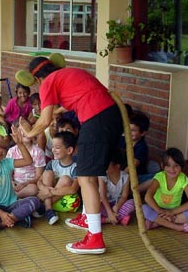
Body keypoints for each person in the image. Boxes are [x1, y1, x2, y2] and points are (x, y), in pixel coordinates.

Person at [20, 56, 122, 254]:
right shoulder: (70, 73)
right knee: (90, 173)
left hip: (95, 120)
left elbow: (44, 120)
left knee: (84, 177)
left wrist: (29, 133)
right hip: (110, 117)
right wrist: (58, 110)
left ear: (37, 79)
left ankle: (95, 238)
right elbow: (75, 100)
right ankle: (87, 217)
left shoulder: (47, 83)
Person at [142, 148, 188, 233]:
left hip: (175, 212)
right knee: (143, 208)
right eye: (168, 165)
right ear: (162, 165)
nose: (172, 169)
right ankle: (176, 227)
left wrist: (172, 212)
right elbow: (147, 197)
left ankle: (158, 222)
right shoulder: (159, 177)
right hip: (157, 209)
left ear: (181, 166)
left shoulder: (183, 179)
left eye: (176, 165)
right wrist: (161, 211)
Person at [37, 131, 80, 225]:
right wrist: (44, 189)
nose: (53, 150)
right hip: (51, 196)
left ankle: (44, 207)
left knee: (66, 179)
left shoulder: (76, 167)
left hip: (63, 198)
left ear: (69, 150)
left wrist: (48, 192)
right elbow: (39, 182)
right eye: (52, 147)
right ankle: (49, 210)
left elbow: (73, 189)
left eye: (57, 147)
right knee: (48, 174)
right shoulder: (52, 163)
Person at [6, 123, 46, 199]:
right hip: (15, 183)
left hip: (30, 184)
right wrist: (12, 182)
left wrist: (25, 183)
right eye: (21, 130)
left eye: (27, 130)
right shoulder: (12, 151)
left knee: (33, 189)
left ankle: (15, 196)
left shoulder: (38, 152)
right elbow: (9, 172)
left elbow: (39, 176)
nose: (24, 133)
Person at [99, 150, 134, 226]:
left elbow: (124, 196)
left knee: (132, 203)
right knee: (95, 205)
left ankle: (110, 218)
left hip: (117, 204)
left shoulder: (125, 177)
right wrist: (110, 212)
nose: (104, 166)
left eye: (107, 164)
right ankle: (113, 219)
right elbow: (103, 196)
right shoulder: (102, 176)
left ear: (117, 166)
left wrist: (116, 207)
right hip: (104, 205)